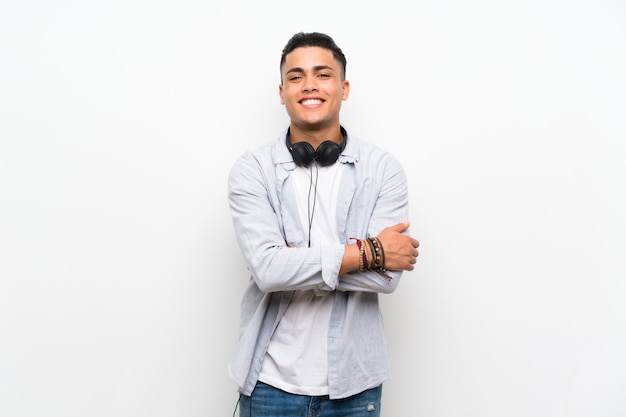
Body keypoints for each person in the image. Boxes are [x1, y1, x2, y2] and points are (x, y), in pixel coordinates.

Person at [227, 31, 420, 417]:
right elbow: (268, 271)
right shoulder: (252, 171)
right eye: (296, 77)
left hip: (355, 385)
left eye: (323, 74)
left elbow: (387, 277)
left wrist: (295, 263)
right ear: (282, 92)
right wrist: (369, 252)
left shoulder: (383, 170)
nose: (309, 85)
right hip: (270, 384)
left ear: (343, 88)